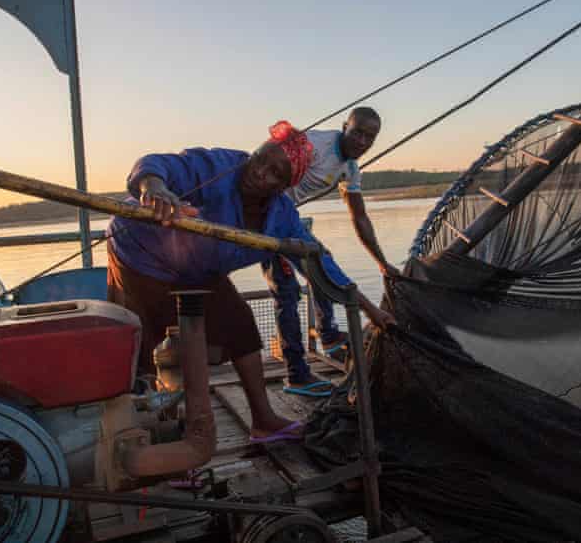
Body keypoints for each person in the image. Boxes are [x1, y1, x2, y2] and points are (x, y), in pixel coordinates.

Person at [106, 122, 395, 441]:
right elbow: (158, 164)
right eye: (259, 160)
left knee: (241, 324)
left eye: (274, 173)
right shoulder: (221, 166)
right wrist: (153, 187)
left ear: (284, 187)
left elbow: (320, 263)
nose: (259, 172)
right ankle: (153, 435)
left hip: (197, 267)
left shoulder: (282, 216)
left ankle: (263, 419)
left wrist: (368, 308)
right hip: (139, 250)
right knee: (143, 340)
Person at [264, 107, 398, 397]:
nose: (362, 141)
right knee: (287, 292)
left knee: (322, 264)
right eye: (358, 132)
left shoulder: (349, 169)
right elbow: (265, 168)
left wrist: (382, 263)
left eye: (370, 137)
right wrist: (371, 309)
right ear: (344, 127)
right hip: (265, 216)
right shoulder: (314, 145)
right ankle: (297, 376)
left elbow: (359, 218)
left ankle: (329, 336)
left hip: (288, 218)